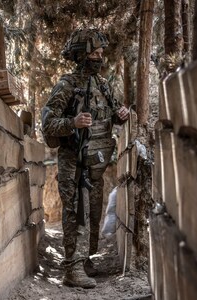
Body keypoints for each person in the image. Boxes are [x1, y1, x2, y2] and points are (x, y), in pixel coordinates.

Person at [41, 28, 129, 288]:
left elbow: (113, 113)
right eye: (94, 53)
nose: (100, 57)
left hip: (97, 164)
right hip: (74, 163)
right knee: (75, 213)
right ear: (81, 55)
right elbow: (47, 125)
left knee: (93, 214)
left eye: (101, 52)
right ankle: (72, 269)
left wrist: (120, 115)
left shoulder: (102, 85)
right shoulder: (67, 85)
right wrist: (73, 122)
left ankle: (86, 260)